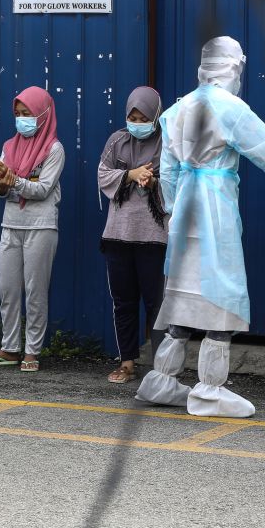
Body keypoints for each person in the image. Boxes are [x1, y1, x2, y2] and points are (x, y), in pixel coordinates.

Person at [135, 36, 265, 418]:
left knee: (183, 290)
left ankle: (162, 378)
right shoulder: (230, 107)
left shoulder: (181, 107)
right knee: (222, 288)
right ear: (233, 68)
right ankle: (210, 389)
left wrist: (172, 210)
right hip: (215, 207)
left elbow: (167, 170)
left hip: (183, 210)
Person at [0, 86, 64, 373]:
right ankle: (10, 347)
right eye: (18, 114)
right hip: (11, 224)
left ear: (43, 114)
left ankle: (32, 350)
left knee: (36, 290)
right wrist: (2, 184)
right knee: (8, 289)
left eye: (27, 114)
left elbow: (43, 189)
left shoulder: (53, 148)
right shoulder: (9, 146)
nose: (22, 119)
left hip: (41, 226)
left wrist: (13, 181)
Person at [98, 87, 167, 383]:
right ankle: (126, 362)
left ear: (156, 116)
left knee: (157, 304)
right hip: (118, 234)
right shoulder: (117, 141)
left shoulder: (168, 144)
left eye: (143, 117)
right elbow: (103, 174)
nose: (137, 122)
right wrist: (131, 173)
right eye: (132, 117)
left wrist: (153, 183)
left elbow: (177, 183)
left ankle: (162, 367)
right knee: (123, 301)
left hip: (154, 237)